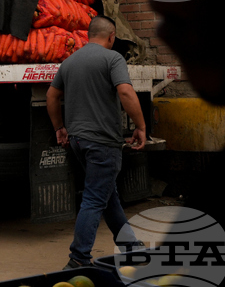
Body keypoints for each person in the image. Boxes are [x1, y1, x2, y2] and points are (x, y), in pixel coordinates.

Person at [47, 15, 146, 269]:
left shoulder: (69, 62)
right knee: (94, 198)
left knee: (107, 194)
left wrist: (60, 127)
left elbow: (52, 95)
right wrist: (141, 126)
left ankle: (131, 248)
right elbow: (125, 91)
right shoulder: (113, 58)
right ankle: (78, 258)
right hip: (103, 142)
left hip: (78, 141)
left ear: (89, 35)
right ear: (111, 36)